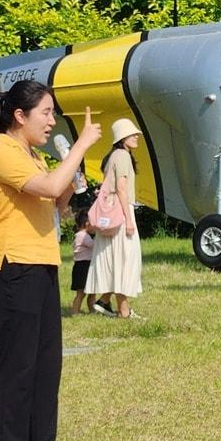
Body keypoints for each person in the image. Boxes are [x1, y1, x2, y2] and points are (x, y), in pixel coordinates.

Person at [0, 81, 101, 441]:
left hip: (42, 266)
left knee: (46, 365)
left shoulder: (32, 156)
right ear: (20, 116)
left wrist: (71, 179)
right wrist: (79, 146)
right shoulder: (1, 153)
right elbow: (46, 187)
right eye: (45, 113)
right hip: (11, 269)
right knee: (17, 365)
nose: (50, 121)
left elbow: (54, 203)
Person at [85, 118, 144, 319]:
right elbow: (121, 188)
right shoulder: (123, 157)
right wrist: (129, 220)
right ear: (123, 137)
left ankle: (104, 301)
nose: (136, 137)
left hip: (110, 213)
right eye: (132, 134)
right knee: (126, 259)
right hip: (121, 211)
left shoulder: (113, 156)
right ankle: (123, 310)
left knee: (115, 258)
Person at [68, 208, 95, 316]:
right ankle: (75, 311)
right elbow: (94, 245)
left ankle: (92, 309)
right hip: (84, 266)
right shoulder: (83, 236)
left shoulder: (79, 235)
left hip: (81, 266)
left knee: (90, 291)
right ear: (87, 223)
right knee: (81, 293)